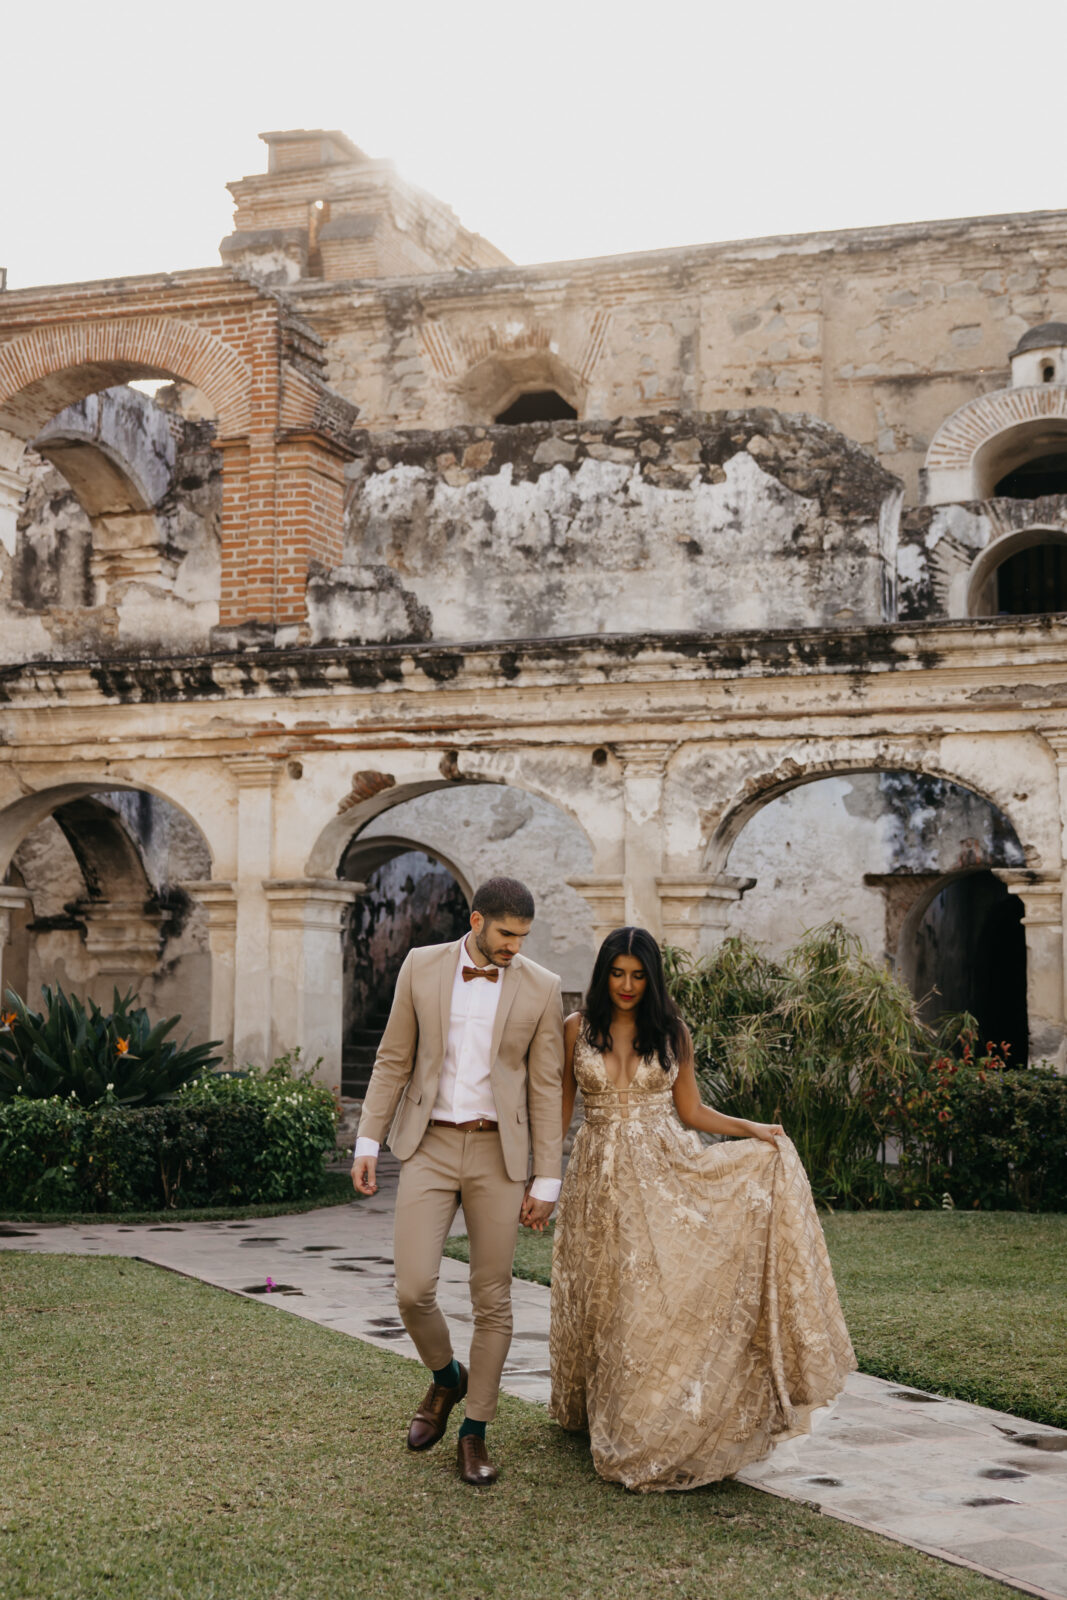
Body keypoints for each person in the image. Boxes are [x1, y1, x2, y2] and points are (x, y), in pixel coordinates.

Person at [549, 926, 856, 1493]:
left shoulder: (671, 1032)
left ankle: (649, 1421)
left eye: (638, 975)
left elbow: (690, 1111)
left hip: (663, 1173)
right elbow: (558, 1114)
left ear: (652, 978)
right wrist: (538, 1179)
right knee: (601, 1290)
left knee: (651, 1295)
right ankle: (592, 1406)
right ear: (602, 974)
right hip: (594, 1178)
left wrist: (752, 1129)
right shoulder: (575, 1030)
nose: (626, 985)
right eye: (617, 973)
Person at [352, 876, 564, 1486]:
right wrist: (368, 1139)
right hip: (430, 1145)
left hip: (501, 1153)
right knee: (413, 1289)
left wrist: (546, 1177)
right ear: (476, 921)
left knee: (492, 1298)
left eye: (522, 937)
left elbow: (546, 1087)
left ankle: (474, 1432)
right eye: (505, 934)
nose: (513, 948)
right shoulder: (421, 967)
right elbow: (393, 1057)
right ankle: (447, 1378)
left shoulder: (542, 986)